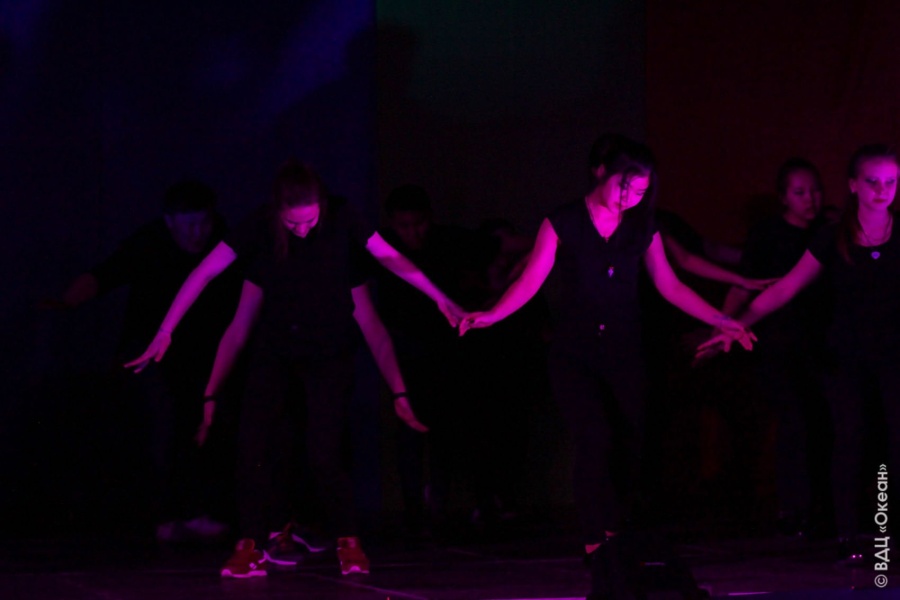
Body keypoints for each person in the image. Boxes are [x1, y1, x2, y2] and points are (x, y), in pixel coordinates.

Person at [125, 160, 460, 577]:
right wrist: (165, 330)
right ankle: (250, 545)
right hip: (276, 352)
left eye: (309, 222)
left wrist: (440, 298)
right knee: (251, 446)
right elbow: (206, 271)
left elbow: (390, 259)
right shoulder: (260, 227)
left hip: (328, 354)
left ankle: (348, 540)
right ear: (278, 211)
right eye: (292, 223)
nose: (302, 231)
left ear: (321, 206)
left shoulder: (343, 218)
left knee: (323, 451)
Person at [459, 134, 754, 596]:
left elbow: (670, 285)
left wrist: (722, 319)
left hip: (624, 353)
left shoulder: (642, 226)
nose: (629, 198)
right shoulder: (563, 221)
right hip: (575, 354)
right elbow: (532, 280)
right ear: (602, 173)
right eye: (624, 186)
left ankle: (615, 533)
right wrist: (493, 314)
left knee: (628, 442)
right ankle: (596, 539)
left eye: (640, 191)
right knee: (593, 436)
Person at [704, 143, 899, 563]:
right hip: (845, 357)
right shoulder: (833, 236)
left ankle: (888, 534)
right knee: (849, 439)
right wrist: (735, 324)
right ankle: (848, 533)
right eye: (873, 182)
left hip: (892, 357)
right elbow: (785, 289)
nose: (882, 191)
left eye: (890, 182)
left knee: (894, 440)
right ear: (853, 185)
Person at [54, 180, 241, 543]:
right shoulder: (149, 242)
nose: (197, 233)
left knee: (203, 423)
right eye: (188, 225)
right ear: (169, 222)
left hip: (200, 351)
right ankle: (164, 514)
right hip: (148, 351)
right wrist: (72, 298)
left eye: (203, 223)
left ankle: (194, 511)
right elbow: (107, 273)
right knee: (164, 420)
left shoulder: (222, 240)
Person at [717, 158, 832, 537]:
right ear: (783, 197)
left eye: (815, 190)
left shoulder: (829, 231)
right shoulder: (767, 234)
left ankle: (821, 508)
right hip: (778, 345)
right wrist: (721, 326)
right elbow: (744, 285)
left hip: (821, 345)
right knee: (793, 421)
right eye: (800, 192)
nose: (810, 199)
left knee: (822, 422)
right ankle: (792, 507)